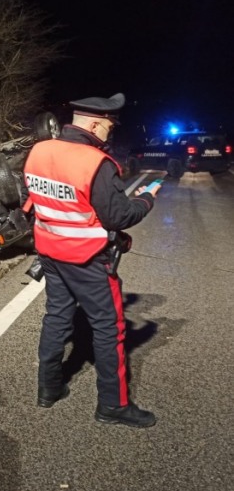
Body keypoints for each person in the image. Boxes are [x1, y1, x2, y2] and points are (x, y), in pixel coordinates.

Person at [22, 92, 161, 428]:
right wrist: (147, 199)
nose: (110, 132)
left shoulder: (39, 150)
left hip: (50, 252)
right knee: (109, 329)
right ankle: (112, 405)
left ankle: (48, 388)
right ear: (96, 123)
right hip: (87, 260)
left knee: (56, 316)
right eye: (109, 127)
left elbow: (35, 200)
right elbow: (118, 216)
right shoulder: (95, 162)